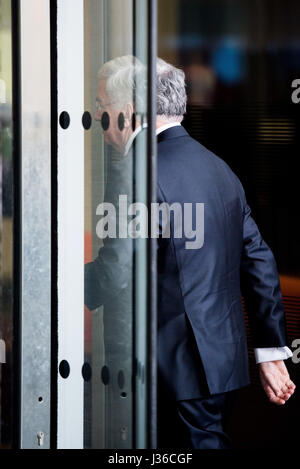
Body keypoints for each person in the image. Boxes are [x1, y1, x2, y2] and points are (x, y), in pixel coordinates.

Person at [85, 55, 296, 449]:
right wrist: (269, 351)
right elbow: (258, 259)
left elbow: (116, 272)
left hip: (171, 373)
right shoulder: (218, 168)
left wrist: (51, 288)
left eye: (101, 107)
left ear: (128, 111)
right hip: (222, 367)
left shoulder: (135, 173)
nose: (97, 118)